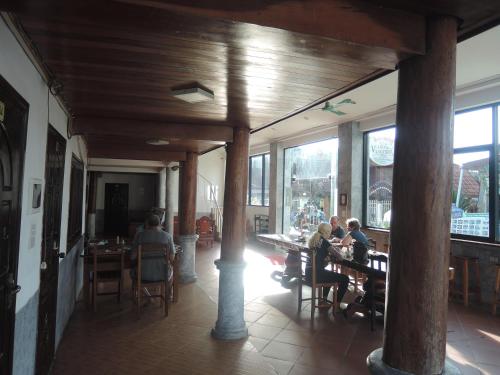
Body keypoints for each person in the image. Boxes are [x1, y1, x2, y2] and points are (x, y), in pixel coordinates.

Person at [306, 223, 349, 311]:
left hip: (308, 272)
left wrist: (326, 257)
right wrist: (342, 253)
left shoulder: (313, 238)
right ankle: (337, 304)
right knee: (345, 279)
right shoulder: (324, 242)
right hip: (316, 274)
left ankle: (323, 300)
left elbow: (318, 254)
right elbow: (340, 257)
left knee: (329, 275)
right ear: (327, 232)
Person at [130, 214, 176, 282]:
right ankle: (167, 292)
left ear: (147, 223)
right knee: (171, 270)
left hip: (142, 274)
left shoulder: (139, 236)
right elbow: (172, 258)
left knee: (132, 271)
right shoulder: (168, 236)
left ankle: (139, 291)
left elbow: (132, 257)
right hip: (163, 274)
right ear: (160, 224)